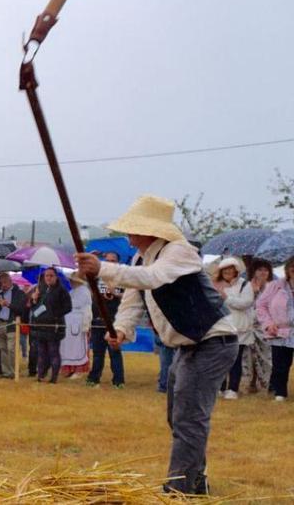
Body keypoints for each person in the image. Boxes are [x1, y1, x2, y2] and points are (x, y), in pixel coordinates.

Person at [76, 195, 237, 495]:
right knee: (179, 415)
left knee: (188, 418)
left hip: (213, 341)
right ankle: (195, 481)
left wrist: (102, 269)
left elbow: (152, 279)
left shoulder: (179, 252)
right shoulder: (140, 259)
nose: (127, 234)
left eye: (133, 228)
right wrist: (121, 329)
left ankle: (179, 489)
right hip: (189, 345)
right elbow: (132, 300)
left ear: (151, 231)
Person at [214, 257, 255, 400]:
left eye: (230, 269)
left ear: (236, 270)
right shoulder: (216, 285)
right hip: (221, 327)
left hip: (240, 329)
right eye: (225, 270)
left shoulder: (245, 285)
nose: (228, 272)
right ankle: (219, 387)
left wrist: (227, 298)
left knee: (235, 360)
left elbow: (246, 303)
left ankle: (233, 389)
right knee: (220, 359)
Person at [255, 257, 294, 402]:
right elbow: (261, 305)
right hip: (280, 331)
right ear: (288, 270)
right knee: (281, 364)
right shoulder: (276, 285)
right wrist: (268, 323)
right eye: (292, 268)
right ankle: (280, 393)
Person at [87, 251, 127, 388]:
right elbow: (85, 273)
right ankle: (93, 378)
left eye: (113, 260)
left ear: (118, 263)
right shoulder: (98, 277)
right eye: (107, 260)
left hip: (114, 320)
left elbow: (129, 297)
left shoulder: (122, 278)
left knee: (114, 352)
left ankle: (118, 381)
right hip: (97, 319)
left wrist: (115, 293)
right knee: (97, 352)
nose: (110, 263)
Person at [28, 267, 71, 384]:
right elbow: (32, 307)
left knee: (53, 352)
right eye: (46, 275)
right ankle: (41, 375)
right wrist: (33, 299)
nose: (48, 277)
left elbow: (68, 307)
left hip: (54, 327)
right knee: (41, 352)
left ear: (56, 277)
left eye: (51, 275)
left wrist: (55, 315)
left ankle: (54, 377)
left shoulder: (61, 290)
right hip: (40, 326)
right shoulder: (40, 288)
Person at [244, 259, 274, 394]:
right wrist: (254, 292)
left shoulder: (273, 287)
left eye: (266, 270)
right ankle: (251, 383)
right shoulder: (246, 286)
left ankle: (266, 383)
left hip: (265, 327)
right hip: (249, 325)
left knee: (265, 356)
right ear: (254, 271)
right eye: (260, 270)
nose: (263, 273)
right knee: (249, 356)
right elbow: (244, 305)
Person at [0, 272, 28, 378]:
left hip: (12, 324)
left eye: (5, 282)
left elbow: (20, 309)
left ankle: (13, 372)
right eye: (1, 282)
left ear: (10, 281)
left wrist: (8, 304)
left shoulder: (19, 293)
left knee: (11, 348)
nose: (3, 284)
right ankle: (6, 372)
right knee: (2, 348)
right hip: (0, 323)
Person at [60, 273, 92, 379]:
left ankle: (80, 370)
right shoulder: (72, 292)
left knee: (80, 346)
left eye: (72, 280)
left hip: (79, 323)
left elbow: (77, 305)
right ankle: (70, 368)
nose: (70, 282)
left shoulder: (84, 291)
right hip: (70, 323)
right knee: (70, 347)